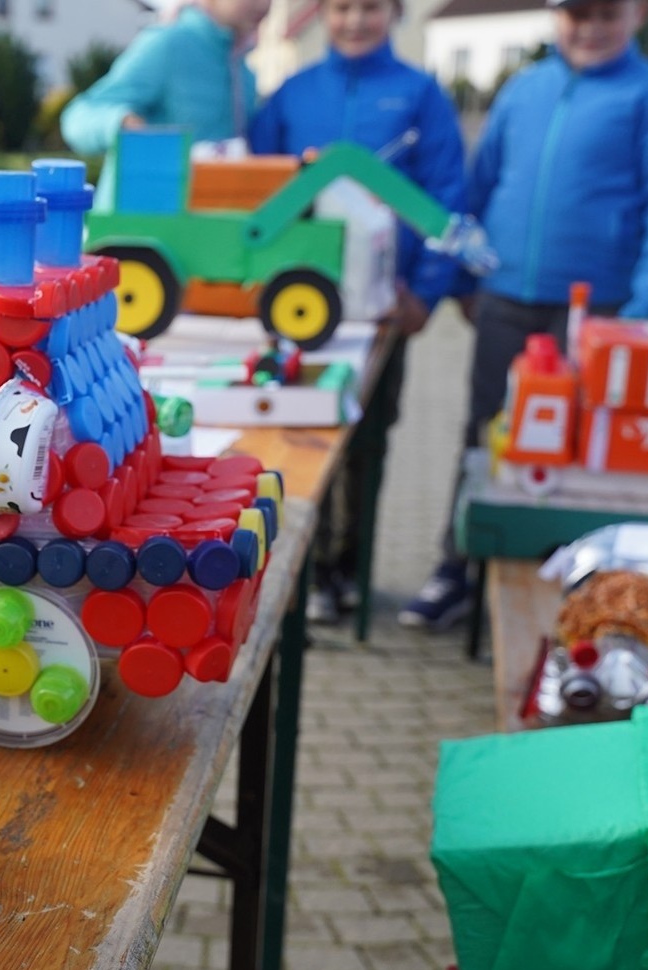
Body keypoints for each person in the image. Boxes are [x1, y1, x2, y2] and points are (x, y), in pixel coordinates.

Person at [399, 0, 648, 630]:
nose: (590, 29)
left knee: (577, 449)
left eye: (606, 15)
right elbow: (481, 183)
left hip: (599, 308)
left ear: (636, 14)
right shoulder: (525, 88)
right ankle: (457, 568)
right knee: (485, 434)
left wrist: (639, 313)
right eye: (576, 15)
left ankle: (570, 583)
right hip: (505, 297)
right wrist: (464, 277)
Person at [248, 0, 467, 624]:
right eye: (342, 7)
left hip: (381, 309)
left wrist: (425, 293)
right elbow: (259, 185)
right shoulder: (292, 94)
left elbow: (447, 193)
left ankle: (348, 567)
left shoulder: (421, 96)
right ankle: (305, 567)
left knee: (368, 438)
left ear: (394, 14)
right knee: (301, 433)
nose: (355, 21)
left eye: (370, 7)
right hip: (298, 300)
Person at [60, 0, 272, 200]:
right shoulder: (168, 44)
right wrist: (120, 122)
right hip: (139, 218)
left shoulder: (244, 71)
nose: (264, 4)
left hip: (202, 220)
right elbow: (78, 118)